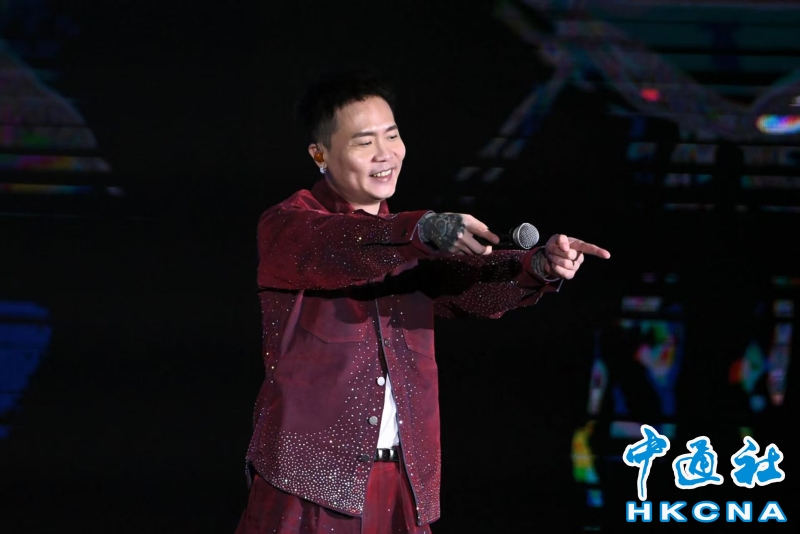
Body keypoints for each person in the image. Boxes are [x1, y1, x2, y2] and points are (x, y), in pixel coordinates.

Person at [235, 69, 610, 534]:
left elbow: (469, 283)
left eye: (392, 135)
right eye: (364, 142)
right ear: (320, 154)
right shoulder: (288, 226)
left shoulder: (413, 247)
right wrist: (423, 230)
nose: (385, 153)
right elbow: (339, 244)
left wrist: (539, 266)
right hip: (308, 484)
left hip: (403, 486)